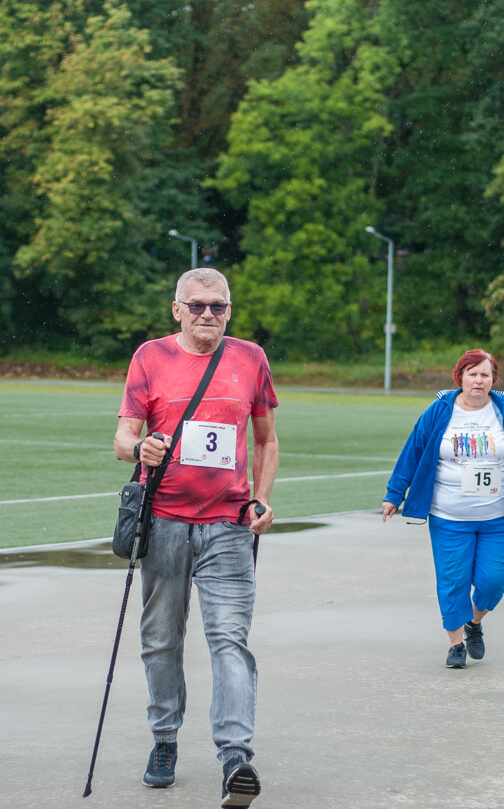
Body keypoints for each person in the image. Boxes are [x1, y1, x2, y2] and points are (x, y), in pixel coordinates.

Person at [113, 268, 278, 808]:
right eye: (198, 305)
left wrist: (262, 497)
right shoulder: (149, 357)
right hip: (162, 521)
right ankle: (164, 738)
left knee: (229, 639)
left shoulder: (251, 358)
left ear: (229, 310)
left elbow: (267, 440)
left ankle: (236, 757)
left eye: (219, 306)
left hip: (229, 526)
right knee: (161, 638)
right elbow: (123, 437)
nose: (209, 314)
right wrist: (141, 450)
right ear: (177, 309)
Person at [381, 348, 504, 669]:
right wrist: (395, 494)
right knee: (453, 580)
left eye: (485, 374)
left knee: (494, 580)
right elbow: (413, 451)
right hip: (449, 518)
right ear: (459, 377)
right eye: (472, 373)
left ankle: (474, 623)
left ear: (493, 380)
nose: (478, 380)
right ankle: (455, 644)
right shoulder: (439, 410)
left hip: (497, 519)